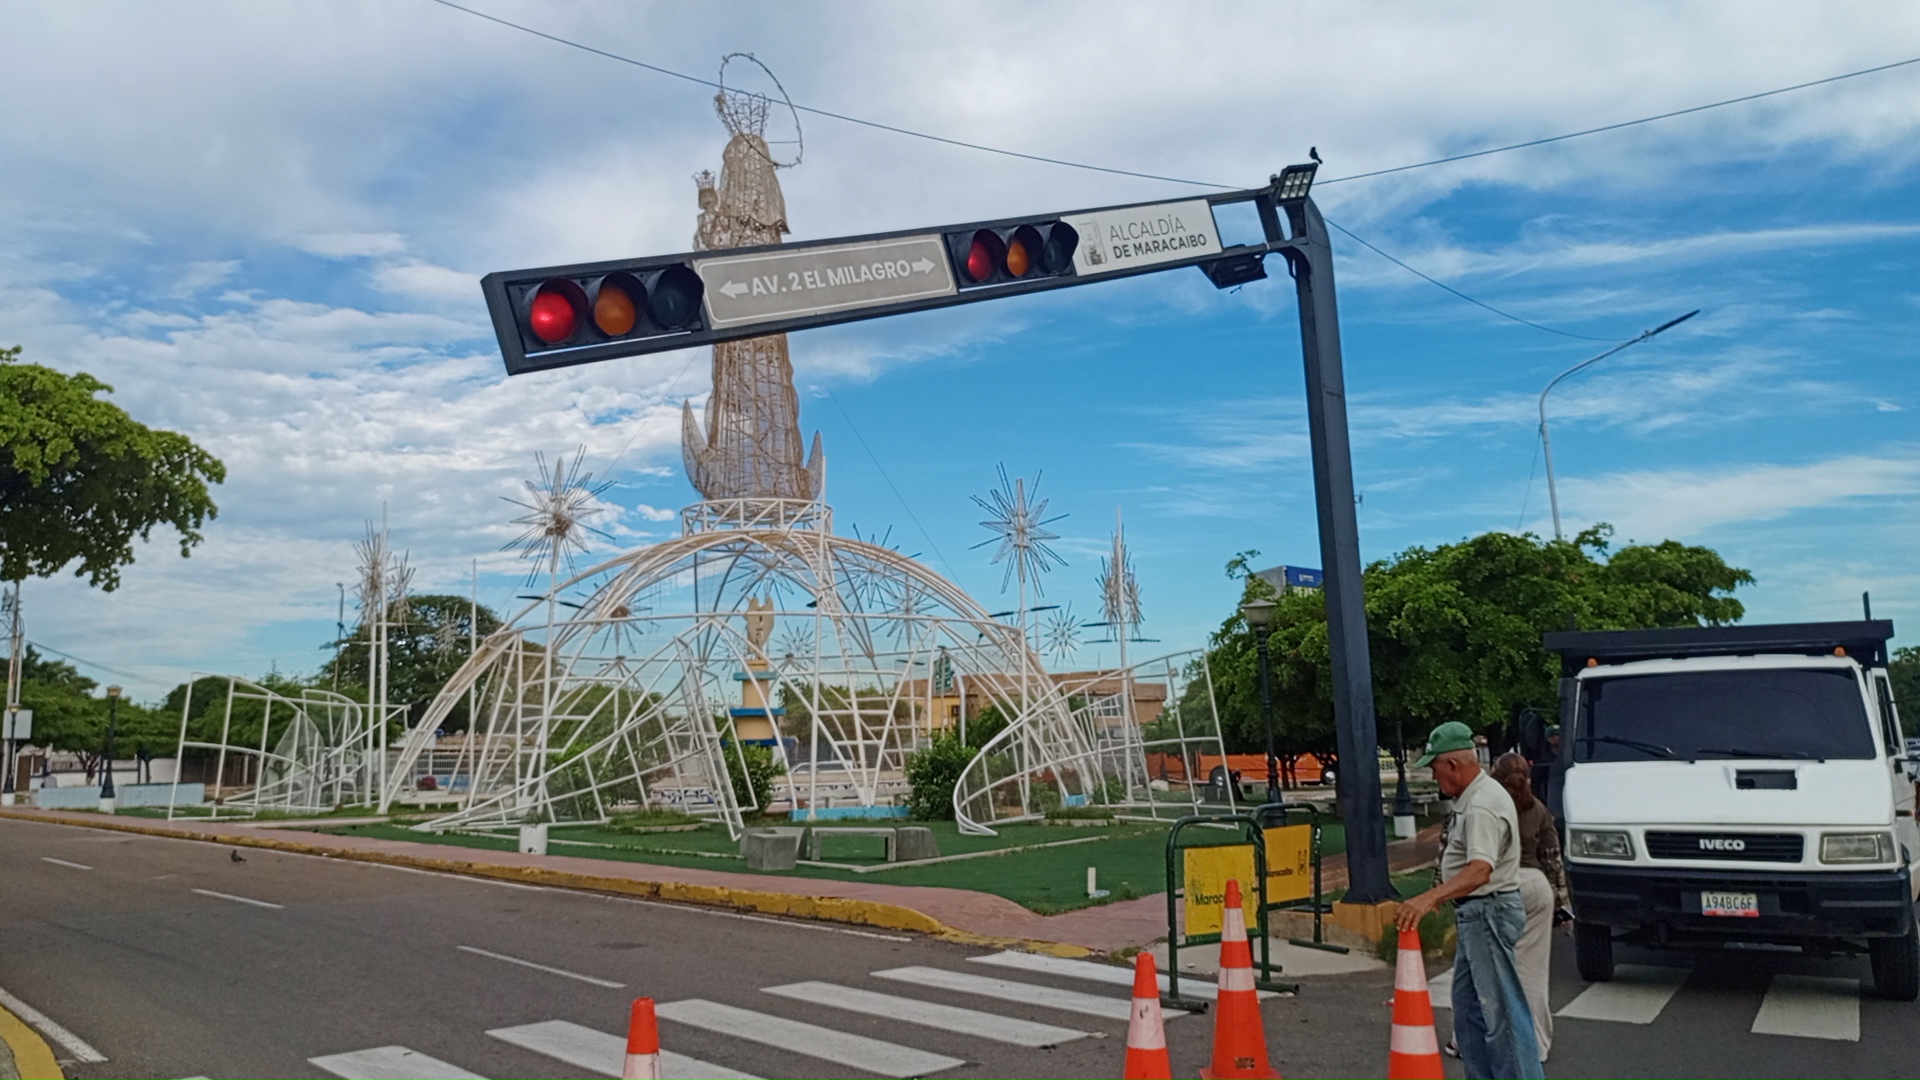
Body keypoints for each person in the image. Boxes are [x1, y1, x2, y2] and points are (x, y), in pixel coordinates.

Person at [1395, 721, 1542, 1080]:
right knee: (1469, 1009)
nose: (1434, 776)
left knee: (1501, 1015)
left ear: (1453, 765)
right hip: (1479, 912)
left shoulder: (1481, 805)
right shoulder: (1477, 797)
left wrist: (1429, 897)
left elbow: (1480, 871)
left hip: (1489, 910)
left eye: (1434, 768)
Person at [1492, 752, 1569, 1063]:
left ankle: (1473, 1038)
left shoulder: (1487, 807)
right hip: (1536, 887)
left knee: (1487, 969)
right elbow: (1553, 861)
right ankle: (1535, 1044)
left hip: (1498, 886)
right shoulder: (1539, 810)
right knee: (1533, 974)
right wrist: (1563, 907)